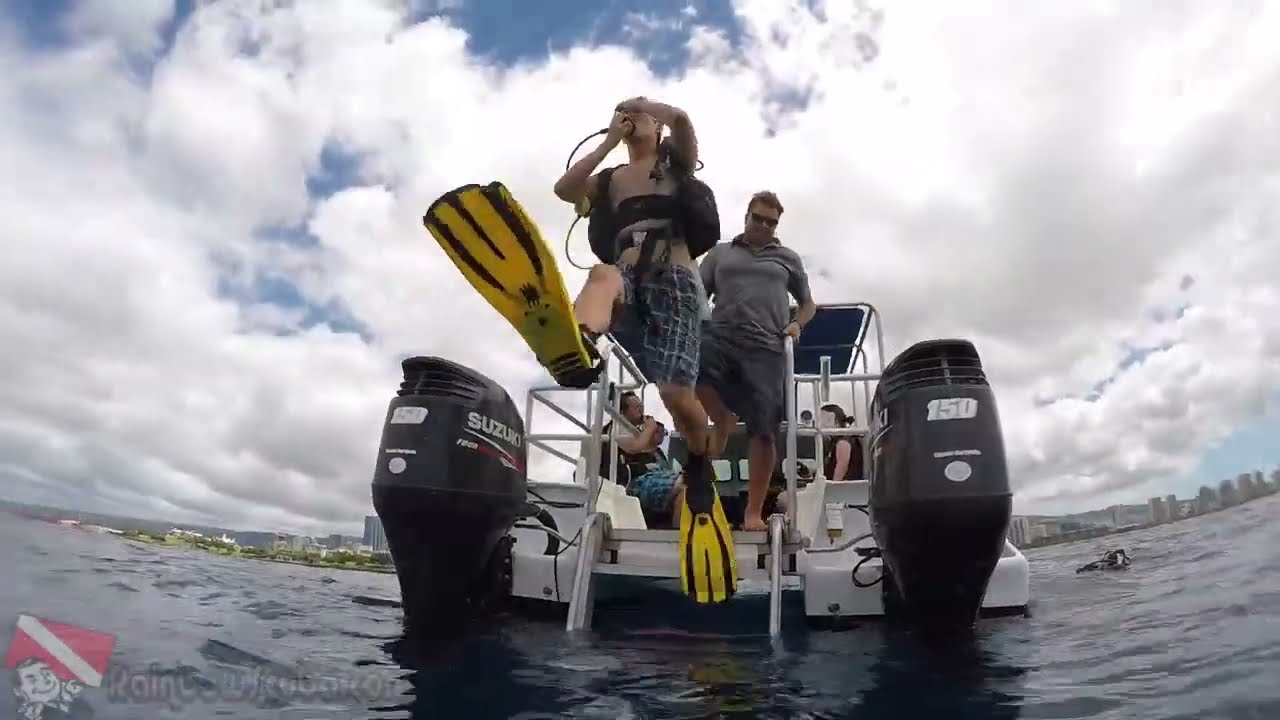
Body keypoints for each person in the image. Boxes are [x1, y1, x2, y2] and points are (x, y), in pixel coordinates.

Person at [552, 96, 716, 482]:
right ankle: (578, 343)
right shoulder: (612, 180)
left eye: (641, 115)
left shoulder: (673, 167)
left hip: (672, 280)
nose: (633, 117)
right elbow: (565, 189)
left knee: (675, 395)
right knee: (601, 275)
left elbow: (682, 120)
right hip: (628, 277)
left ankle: (698, 460)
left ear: (657, 126)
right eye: (625, 114)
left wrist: (649, 105)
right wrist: (610, 141)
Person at [696, 191, 817, 531]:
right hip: (721, 335)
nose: (763, 226)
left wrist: (797, 323)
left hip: (767, 347)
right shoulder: (720, 253)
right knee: (692, 370)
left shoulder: (788, 258)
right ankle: (720, 419)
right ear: (747, 216)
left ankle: (753, 514)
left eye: (771, 222)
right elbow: (698, 296)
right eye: (758, 218)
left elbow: (808, 304)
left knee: (763, 429)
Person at [599, 391, 683, 526]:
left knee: (691, 484)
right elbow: (634, 447)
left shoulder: (635, 431)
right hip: (636, 482)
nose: (641, 408)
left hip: (650, 478)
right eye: (636, 406)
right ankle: (677, 537)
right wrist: (649, 428)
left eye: (641, 405)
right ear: (622, 411)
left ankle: (681, 533)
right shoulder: (616, 427)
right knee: (684, 484)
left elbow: (645, 448)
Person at [819, 403, 864, 481]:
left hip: (844, 486)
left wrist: (833, 487)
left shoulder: (843, 440)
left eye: (827, 420)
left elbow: (842, 466)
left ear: (837, 422)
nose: (822, 424)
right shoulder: (835, 439)